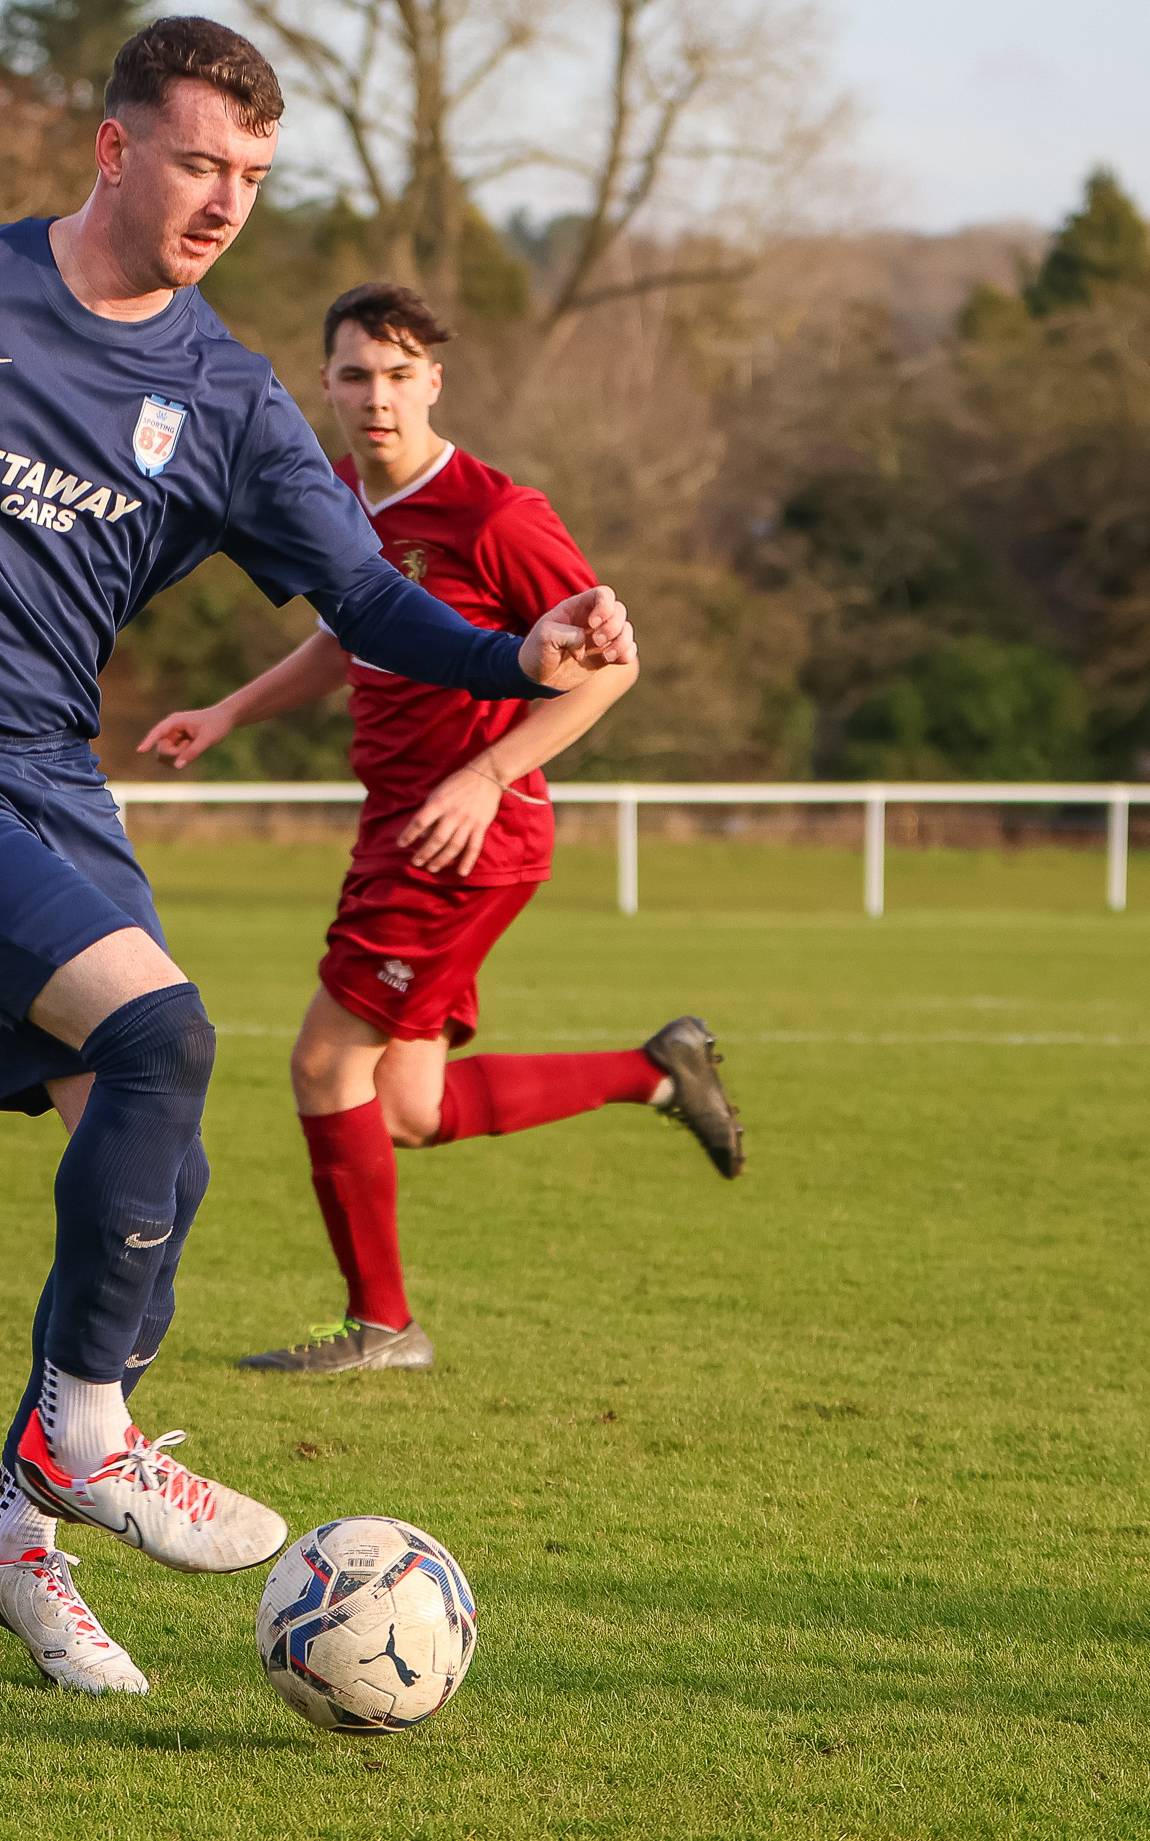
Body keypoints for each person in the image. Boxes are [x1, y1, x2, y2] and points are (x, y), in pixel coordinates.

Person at [0, 19, 636, 1697]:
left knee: (160, 1171)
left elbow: (368, 599)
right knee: (163, 1035)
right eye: (202, 162)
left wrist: (519, 657)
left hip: (51, 786)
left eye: (255, 177)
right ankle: (87, 1437)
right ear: (115, 148)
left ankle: (14, 1533)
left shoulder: (226, 396)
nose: (226, 202)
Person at [140, 283, 743, 1378]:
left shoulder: (496, 516)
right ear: (324, 385)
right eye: (356, 375)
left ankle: (383, 1329)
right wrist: (230, 711)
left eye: (399, 374)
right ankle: (654, 1070)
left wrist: (486, 773)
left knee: (326, 1064)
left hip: (463, 838)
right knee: (408, 1107)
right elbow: (347, 637)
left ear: (433, 383)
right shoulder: (334, 498)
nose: (377, 397)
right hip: (401, 824)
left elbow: (613, 668)